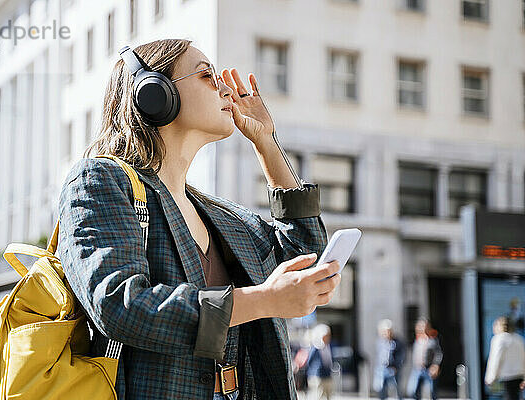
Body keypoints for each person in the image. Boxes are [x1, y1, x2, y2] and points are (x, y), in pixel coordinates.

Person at [57, 39, 342, 400]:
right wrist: (263, 301)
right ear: (154, 94)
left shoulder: (217, 213)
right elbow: (119, 304)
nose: (226, 88)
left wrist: (266, 142)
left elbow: (306, 255)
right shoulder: (100, 179)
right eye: (207, 75)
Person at [484, 316, 525, 400]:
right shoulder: (519, 338)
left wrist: (490, 377)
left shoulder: (499, 339)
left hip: (507, 376)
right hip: (519, 375)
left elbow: (495, 359)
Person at [406, 318, 443, 400]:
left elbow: (438, 353)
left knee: (431, 392)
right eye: (420, 326)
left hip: (429, 368)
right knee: (412, 391)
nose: (422, 328)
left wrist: (435, 365)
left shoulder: (433, 339)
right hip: (417, 368)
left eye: (424, 326)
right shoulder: (416, 339)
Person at [373, 319, 405, 400]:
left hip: (393, 369)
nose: (386, 333)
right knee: (381, 390)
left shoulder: (397, 342)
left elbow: (402, 356)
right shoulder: (380, 342)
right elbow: (378, 356)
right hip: (382, 368)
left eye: (388, 331)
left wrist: (397, 366)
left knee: (396, 390)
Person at [306, 324, 334, 400]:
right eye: (326, 335)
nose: (328, 337)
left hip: (327, 376)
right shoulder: (315, 348)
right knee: (317, 396)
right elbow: (309, 362)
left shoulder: (329, 347)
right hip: (317, 377)